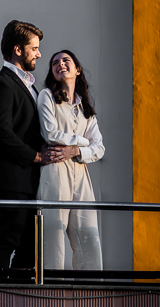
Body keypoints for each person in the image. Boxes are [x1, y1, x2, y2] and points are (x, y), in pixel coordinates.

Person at [0, 20, 62, 274]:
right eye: (34, 48)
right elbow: (1, 131)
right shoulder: (1, 83)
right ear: (17, 49)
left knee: (29, 247)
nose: (39, 53)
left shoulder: (28, 85)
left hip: (28, 182)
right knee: (5, 243)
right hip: (9, 180)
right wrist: (35, 156)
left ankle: (17, 294)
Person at [37, 49, 105, 270]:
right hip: (55, 170)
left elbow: (100, 148)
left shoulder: (86, 108)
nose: (60, 64)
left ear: (77, 70)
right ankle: (50, 295)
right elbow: (51, 134)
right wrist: (82, 143)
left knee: (89, 236)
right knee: (53, 236)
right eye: (55, 62)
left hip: (81, 173)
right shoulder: (47, 96)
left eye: (66, 61)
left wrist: (75, 150)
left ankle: (92, 296)